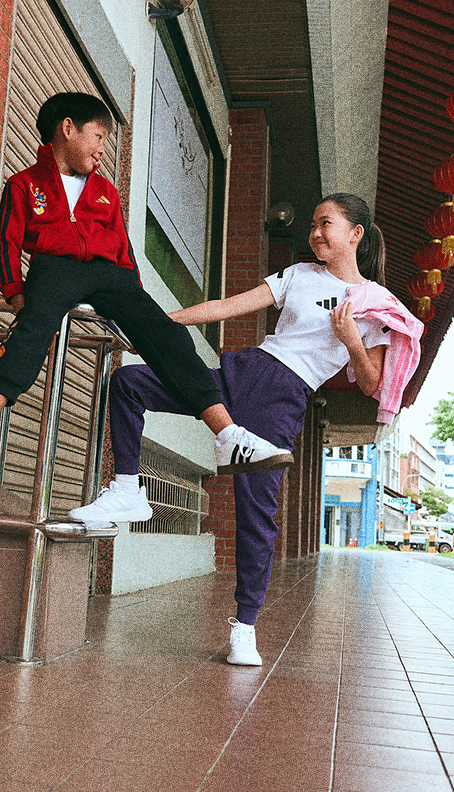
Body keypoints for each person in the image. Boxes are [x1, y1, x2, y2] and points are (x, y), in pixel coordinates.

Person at [71, 193, 423, 665]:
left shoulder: (379, 305)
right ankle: (128, 488)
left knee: (256, 516)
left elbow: (373, 382)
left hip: (281, 400)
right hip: (239, 376)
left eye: (326, 223)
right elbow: (226, 307)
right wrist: (152, 322)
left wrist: (350, 342)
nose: (315, 233)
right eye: (313, 224)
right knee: (131, 381)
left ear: (356, 234)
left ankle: (246, 626)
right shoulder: (298, 275)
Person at [0, 92, 292, 484]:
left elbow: (124, 250)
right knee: (34, 322)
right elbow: (6, 240)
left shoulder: (105, 191)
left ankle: (228, 435)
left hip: (109, 274)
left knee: (166, 335)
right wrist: (13, 289)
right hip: (54, 268)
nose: (101, 150)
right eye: (97, 137)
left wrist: (135, 306)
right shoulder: (24, 184)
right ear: (67, 128)